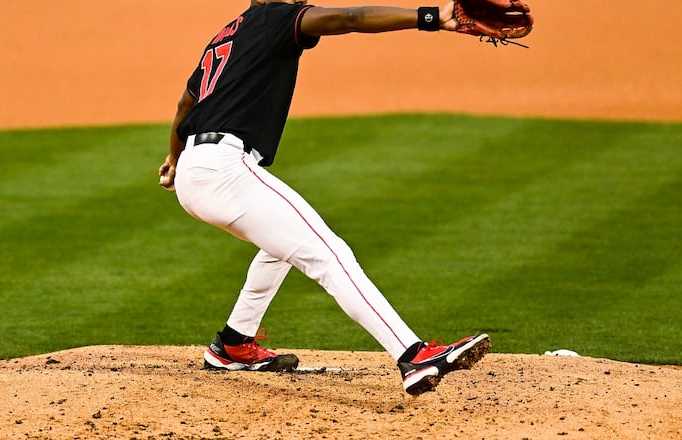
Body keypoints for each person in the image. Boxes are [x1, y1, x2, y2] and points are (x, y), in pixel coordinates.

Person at [158, 0, 504, 396]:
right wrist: (431, 17)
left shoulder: (227, 35)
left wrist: (174, 158)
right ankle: (413, 355)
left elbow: (186, 105)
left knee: (281, 244)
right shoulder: (275, 16)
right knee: (329, 253)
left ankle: (234, 344)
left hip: (195, 173)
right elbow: (348, 18)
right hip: (224, 170)